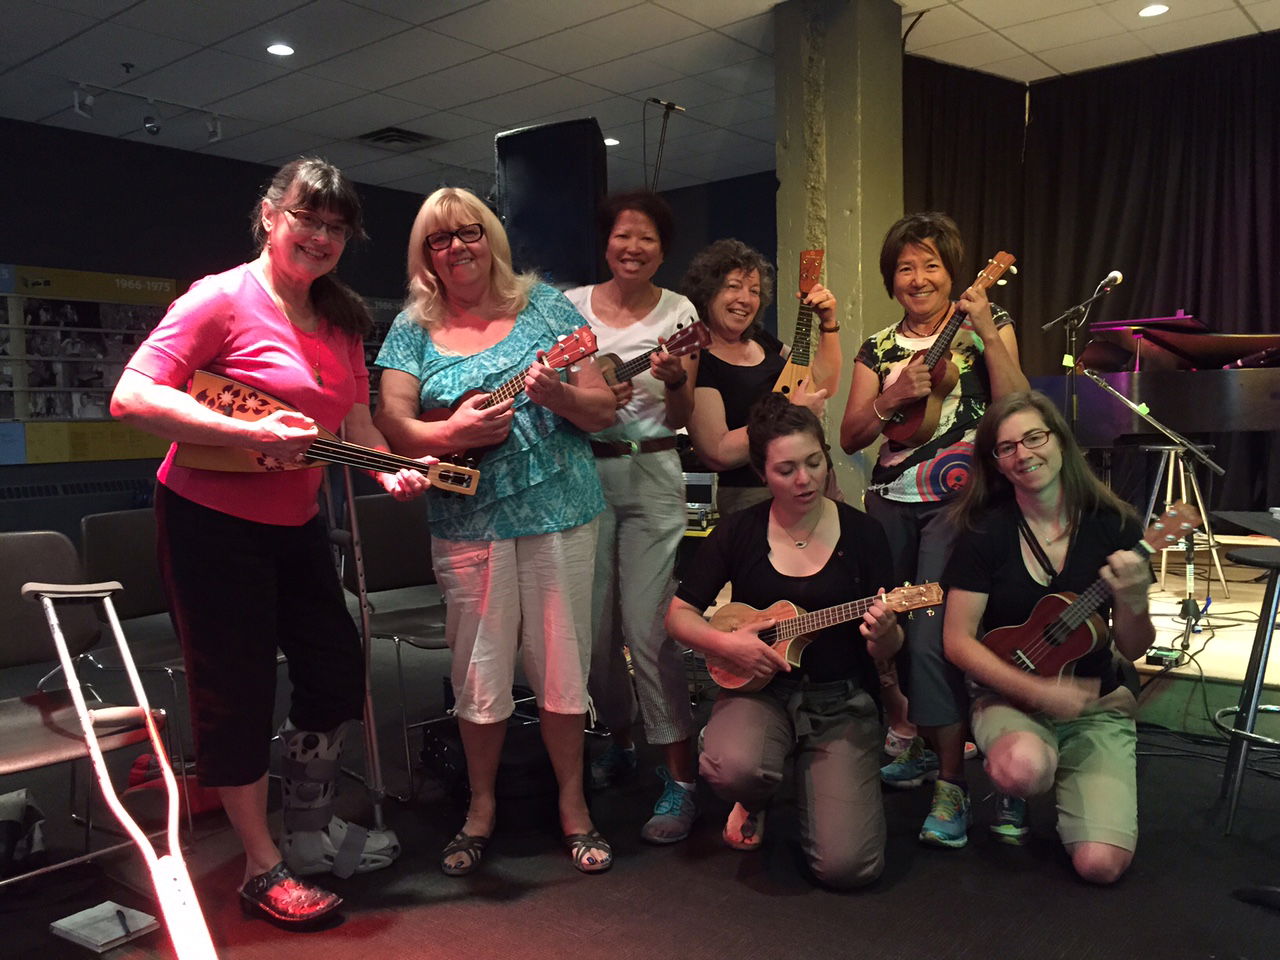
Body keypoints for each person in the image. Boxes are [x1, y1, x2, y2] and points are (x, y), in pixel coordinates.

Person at [111, 157, 430, 927]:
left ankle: (308, 824)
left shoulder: (342, 317)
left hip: (295, 524)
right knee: (235, 692)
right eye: (306, 218)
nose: (320, 236)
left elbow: (351, 423)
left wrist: (389, 471)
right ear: (269, 216)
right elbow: (132, 395)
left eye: (335, 226)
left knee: (333, 667)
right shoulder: (218, 298)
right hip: (208, 522)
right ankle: (263, 867)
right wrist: (245, 429)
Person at [373, 187, 616, 876]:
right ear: (426, 255)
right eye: (440, 239)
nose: (458, 248)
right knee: (478, 671)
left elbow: (600, 411)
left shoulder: (548, 310)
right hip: (467, 520)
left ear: (492, 239)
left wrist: (559, 394)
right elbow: (393, 421)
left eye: (469, 232)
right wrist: (447, 431)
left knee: (562, 664)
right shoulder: (410, 327)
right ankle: (479, 806)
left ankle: (574, 802)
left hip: (560, 514)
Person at [840, 212, 1028, 848]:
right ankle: (921, 745)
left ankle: (951, 781)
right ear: (892, 279)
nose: (917, 279)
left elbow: (1017, 404)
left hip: (959, 505)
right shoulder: (877, 346)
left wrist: (984, 329)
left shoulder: (987, 326)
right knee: (885, 636)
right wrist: (890, 399)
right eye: (905, 268)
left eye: (930, 266)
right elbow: (850, 436)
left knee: (931, 638)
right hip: (889, 504)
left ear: (954, 274)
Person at [666, 393, 901, 888]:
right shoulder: (739, 531)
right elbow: (679, 615)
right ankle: (755, 793)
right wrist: (727, 646)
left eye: (814, 462)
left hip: (840, 699)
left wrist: (885, 635)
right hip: (760, 691)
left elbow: (888, 649)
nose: (804, 480)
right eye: (786, 469)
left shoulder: (864, 534)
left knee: (848, 870)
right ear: (762, 474)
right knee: (733, 767)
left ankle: (810, 775)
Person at [942, 390, 1153, 882]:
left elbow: (1135, 647)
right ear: (995, 462)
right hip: (1011, 697)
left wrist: (1136, 599)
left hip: (1096, 705)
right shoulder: (983, 531)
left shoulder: (1114, 525)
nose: (1023, 454)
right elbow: (957, 641)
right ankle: (1024, 781)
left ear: (1060, 440)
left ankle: (1079, 787)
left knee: (1101, 867)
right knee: (1024, 768)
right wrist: (1038, 692)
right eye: (1007, 447)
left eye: (1034, 437)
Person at [563, 191, 701, 843]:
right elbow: (552, 394)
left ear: (662, 251)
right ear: (606, 242)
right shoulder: (569, 308)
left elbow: (679, 416)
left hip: (653, 472)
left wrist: (673, 380)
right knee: (590, 636)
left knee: (648, 631)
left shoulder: (680, 314)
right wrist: (583, 396)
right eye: (623, 235)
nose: (633, 247)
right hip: (582, 475)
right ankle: (619, 739)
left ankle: (680, 778)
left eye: (647, 238)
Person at [683, 239, 841, 518]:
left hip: (816, 479)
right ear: (707, 292)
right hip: (753, 497)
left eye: (754, 290)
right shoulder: (699, 359)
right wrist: (793, 413)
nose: (745, 299)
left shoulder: (761, 340)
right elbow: (716, 450)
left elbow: (821, 385)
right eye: (733, 286)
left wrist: (828, 324)